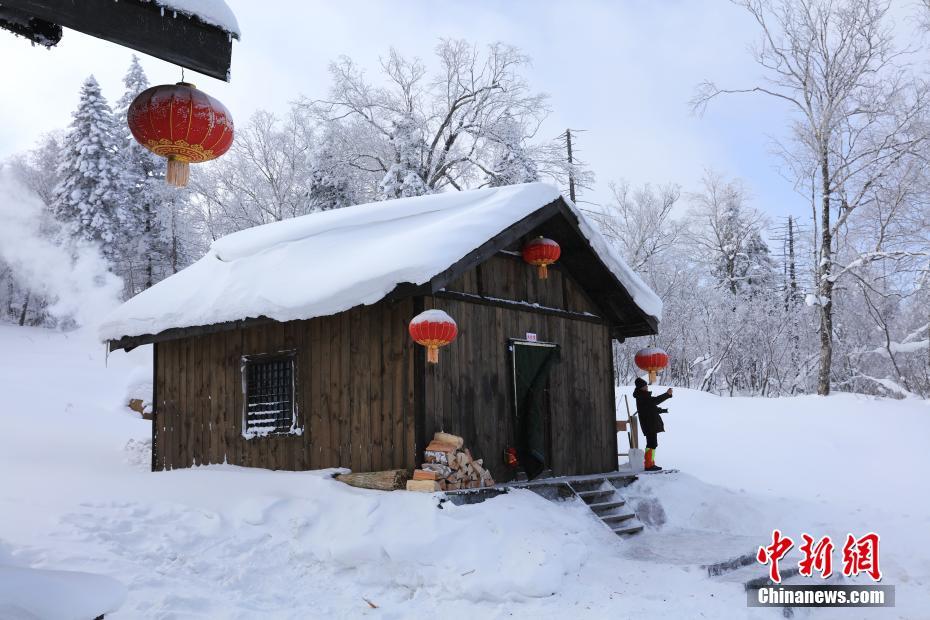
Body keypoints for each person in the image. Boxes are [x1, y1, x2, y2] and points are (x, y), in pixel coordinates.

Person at [633, 377, 672, 471]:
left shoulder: (643, 396)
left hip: (650, 424)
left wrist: (662, 410)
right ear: (641, 388)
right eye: (644, 386)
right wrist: (667, 394)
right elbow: (655, 401)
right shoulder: (642, 396)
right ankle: (648, 465)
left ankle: (650, 463)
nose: (647, 387)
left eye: (646, 385)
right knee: (651, 443)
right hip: (649, 424)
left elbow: (652, 407)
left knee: (652, 443)